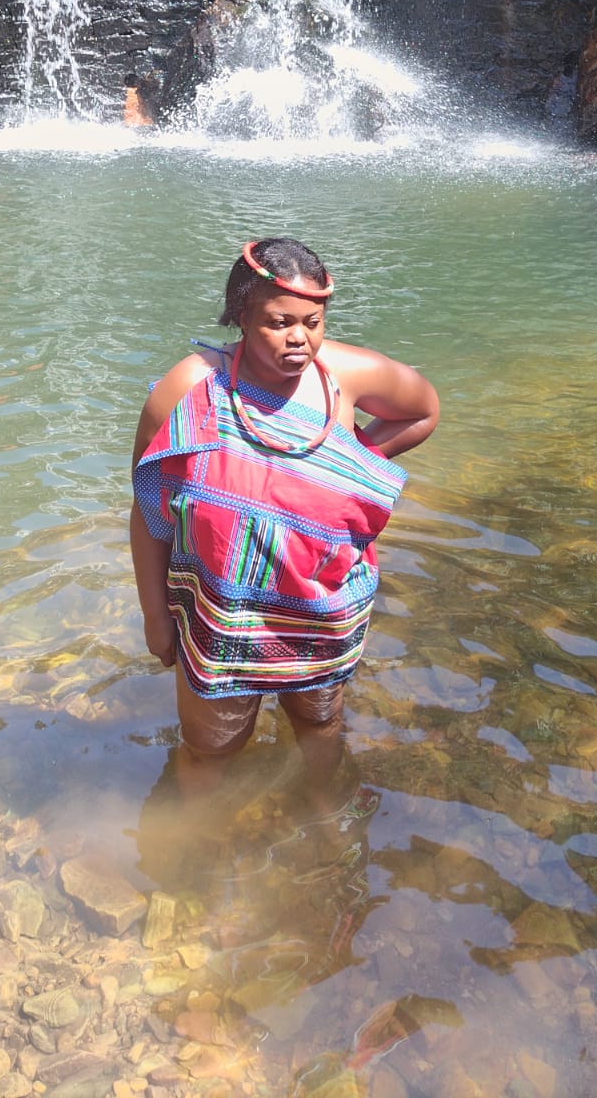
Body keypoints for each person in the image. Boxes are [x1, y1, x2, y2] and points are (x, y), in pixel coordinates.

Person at [130, 237, 439, 801]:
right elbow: (148, 507)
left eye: (313, 321)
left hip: (321, 606)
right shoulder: (192, 387)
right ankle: (194, 861)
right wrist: (154, 614)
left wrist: (350, 463)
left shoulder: (345, 375)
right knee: (210, 747)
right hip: (221, 612)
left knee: (318, 725)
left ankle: (324, 828)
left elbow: (423, 409)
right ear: (241, 318)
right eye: (279, 322)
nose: (300, 338)